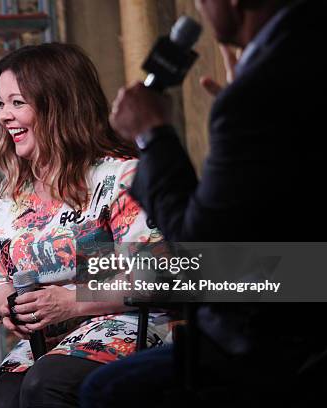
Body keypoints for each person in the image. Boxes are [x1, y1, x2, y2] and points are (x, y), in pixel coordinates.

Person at [80, 0, 327, 406]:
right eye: (1, 105)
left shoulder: (262, 89)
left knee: (104, 390)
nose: (199, 8)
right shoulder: (294, 53)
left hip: (285, 323)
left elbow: (199, 250)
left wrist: (152, 134)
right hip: (288, 281)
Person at [0, 43, 169, 408]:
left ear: (58, 106)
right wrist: (9, 305)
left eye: (17, 103)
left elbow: (155, 272)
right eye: (1, 104)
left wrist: (69, 301)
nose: (4, 115)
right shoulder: (8, 195)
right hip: (48, 341)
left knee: (45, 386)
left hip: (125, 323)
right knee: (2, 398)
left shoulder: (119, 175)